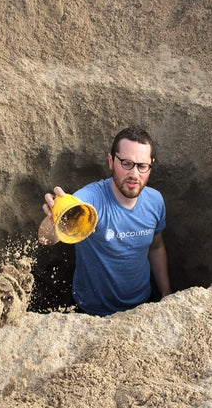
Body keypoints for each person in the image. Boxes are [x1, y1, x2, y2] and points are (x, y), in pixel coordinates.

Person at [39, 126, 171, 316]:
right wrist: (55, 217)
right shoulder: (91, 200)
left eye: (142, 166)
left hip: (141, 308)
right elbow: (46, 238)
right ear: (111, 161)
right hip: (91, 313)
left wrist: (166, 294)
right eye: (126, 163)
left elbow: (156, 248)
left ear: (150, 165)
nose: (134, 174)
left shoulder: (155, 201)